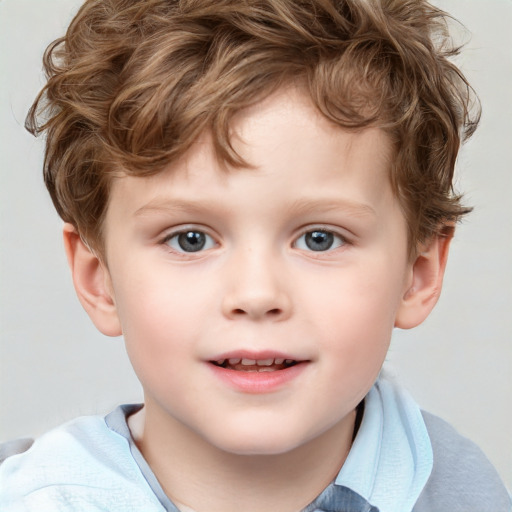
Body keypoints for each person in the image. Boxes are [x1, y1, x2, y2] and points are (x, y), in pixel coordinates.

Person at [0, 0, 510, 510]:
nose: (256, 294)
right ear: (99, 280)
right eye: (190, 239)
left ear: (418, 274)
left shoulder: (463, 495)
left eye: (320, 238)